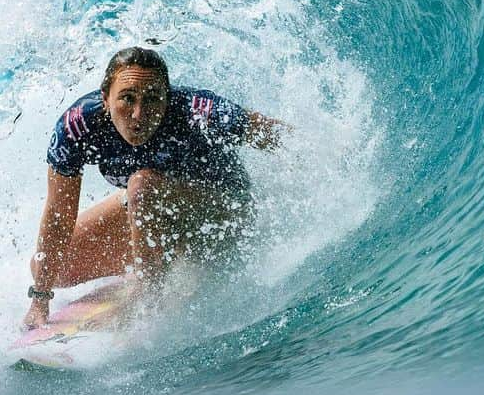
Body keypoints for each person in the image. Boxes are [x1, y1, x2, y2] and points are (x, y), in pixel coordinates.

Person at [23, 46, 286, 329]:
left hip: (220, 216)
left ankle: (146, 294)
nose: (139, 113)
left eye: (152, 99)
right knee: (52, 268)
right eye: (127, 98)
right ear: (105, 100)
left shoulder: (196, 110)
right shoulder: (78, 126)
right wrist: (40, 299)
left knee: (142, 185)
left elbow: (277, 136)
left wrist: (331, 152)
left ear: (167, 99)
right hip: (152, 211)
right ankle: (156, 262)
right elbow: (59, 216)